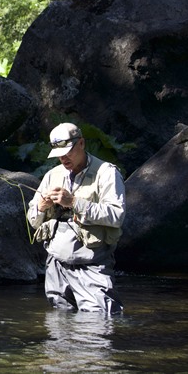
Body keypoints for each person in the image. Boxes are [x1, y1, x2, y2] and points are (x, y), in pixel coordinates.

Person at [27, 122, 125, 314]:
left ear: (81, 143)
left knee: (99, 322)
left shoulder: (107, 173)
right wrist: (40, 207)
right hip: (56, 264)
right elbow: (33, 220)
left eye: (68, 152)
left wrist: (73, 202)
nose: (63, 158)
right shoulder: (51, 175)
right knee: (58, 326)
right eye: (58, 155)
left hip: (92, 263)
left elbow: (116, 215)